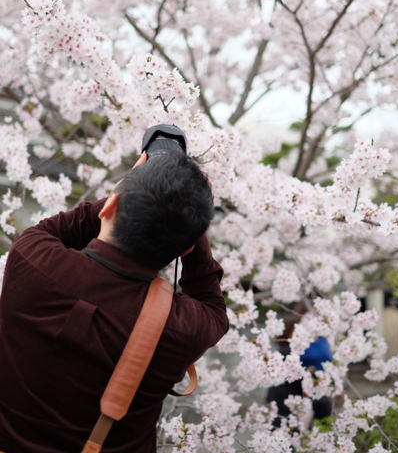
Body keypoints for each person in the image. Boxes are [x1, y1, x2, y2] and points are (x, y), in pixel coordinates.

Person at [0, 151, 228, 452]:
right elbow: (215, 311)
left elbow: (66, 226)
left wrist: (129, 189)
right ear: (185, 248)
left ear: (109, 206)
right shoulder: (178, 329)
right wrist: (189, 222)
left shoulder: (31, 258)